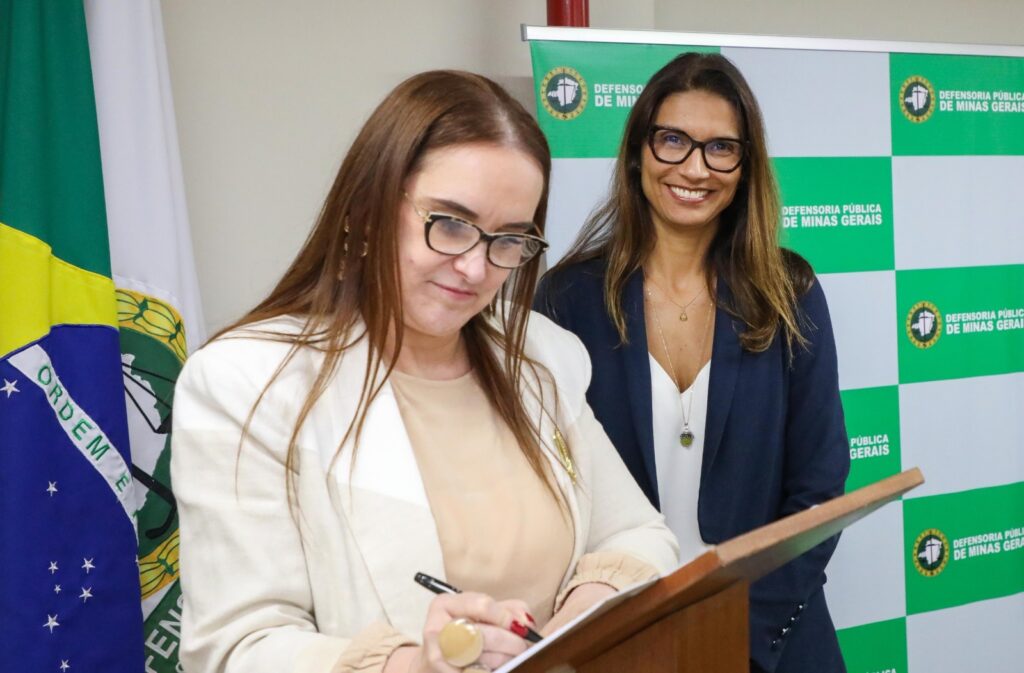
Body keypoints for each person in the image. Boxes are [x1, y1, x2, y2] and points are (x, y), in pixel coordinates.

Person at [171, 70, 678, 673]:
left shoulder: (541, 355)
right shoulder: (245, 383)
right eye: (451, 224)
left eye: (508, 240)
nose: (476, 269)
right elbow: (237, 648)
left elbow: (638, 536)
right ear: (366, 210)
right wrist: (415, 665)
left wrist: (559, 635)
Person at [534, 53, 850, 673]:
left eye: (721, 148)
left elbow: (818, 489)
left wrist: (741, 636)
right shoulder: (568, 298)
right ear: (638, 152)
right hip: (624, 636)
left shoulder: (789, 292)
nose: (695, 168)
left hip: (770, 640)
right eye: (673, 140)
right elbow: (554, 493)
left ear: (745, 166)